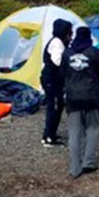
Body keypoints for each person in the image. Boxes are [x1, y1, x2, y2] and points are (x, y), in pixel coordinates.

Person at [61, 26, 99, 178]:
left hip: (73, 97)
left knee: (74, 132)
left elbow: (62, 73)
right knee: (93, 128)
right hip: (91, 96)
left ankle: (75, 167)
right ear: (89, 38)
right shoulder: (95, 53)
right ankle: (89, 161)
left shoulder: (67, 53)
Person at [40, 19, 73, 147]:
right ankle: (48, 137)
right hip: (51, 80)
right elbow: (58, 61)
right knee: (53, 107)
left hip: (53, 80)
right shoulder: (57, 43)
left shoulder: (58, 41)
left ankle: (50, 133)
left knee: (57, 106)